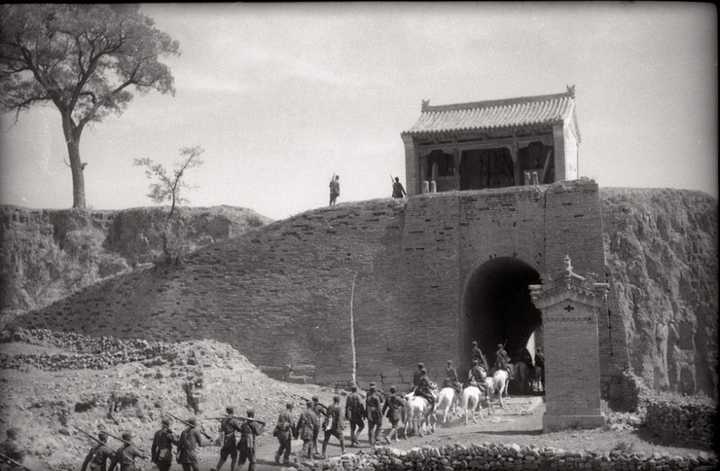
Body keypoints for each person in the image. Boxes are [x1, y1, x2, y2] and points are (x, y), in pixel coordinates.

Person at [212, 407, 243, 471]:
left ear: (227, 411)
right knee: (234, 457)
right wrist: (242, 423)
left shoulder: (224, 420)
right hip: (231, 440)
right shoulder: (233, 420)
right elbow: (240, 429)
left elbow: (222, 428)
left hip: (225, 439)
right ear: (233, 411)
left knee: (223, 456)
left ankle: (217, 468)